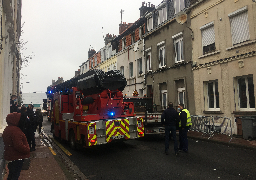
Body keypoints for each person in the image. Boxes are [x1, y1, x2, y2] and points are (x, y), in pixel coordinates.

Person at [2, 112, 30, 180]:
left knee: (12, 175)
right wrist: (27, 149)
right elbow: (18, 145)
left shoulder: (8, 128)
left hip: (11, 156)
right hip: (16, 157)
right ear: (15, 120)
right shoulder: (15, 130)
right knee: (14, 175)